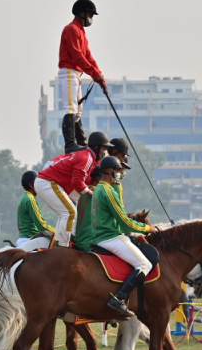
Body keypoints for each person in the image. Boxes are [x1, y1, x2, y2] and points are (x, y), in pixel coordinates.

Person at [92, 156, 157, 318]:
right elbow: (124, 223)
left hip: (100, 236)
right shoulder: (108, 192)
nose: (120, 173)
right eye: (118, 170)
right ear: (109, 171)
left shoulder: (99, 189)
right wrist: (147, 228)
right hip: (110, 237)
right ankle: (119, 298)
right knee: (144, 265)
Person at [35, 131, 113, 248]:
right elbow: (77, 182)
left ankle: (67, 239)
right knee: (69, 212)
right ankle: (62, 245)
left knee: (73, 209)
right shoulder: (87, 158)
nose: (105, 152)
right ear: (97, 147)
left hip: (54, 183)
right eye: (104, 148)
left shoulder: (89, 156)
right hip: (47, 182)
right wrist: (91, 193)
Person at [59, 0, 108, 153]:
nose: (91, 18)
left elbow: (88, 56)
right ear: (81, 13)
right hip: (69, 71)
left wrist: (100, 77)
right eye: (90, 15)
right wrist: (94, 74)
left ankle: (81, 142)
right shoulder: (71, 29)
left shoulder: (81, 32)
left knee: (78, 110)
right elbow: (77, 56)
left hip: (77, 73)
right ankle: (70, 144)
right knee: (71, 107)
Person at [16, 171, 55, 246]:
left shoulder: (24, 198)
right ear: (31, 185)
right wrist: (57, 232)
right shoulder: (30, 199)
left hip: (24, 238)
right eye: (39, 183)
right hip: (29, 239)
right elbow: (41, 225)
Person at [72, 166, 102, 251]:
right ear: (101, 178)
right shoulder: (98, 194)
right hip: (91, 241)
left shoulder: (83, 194)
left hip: (79, 240)